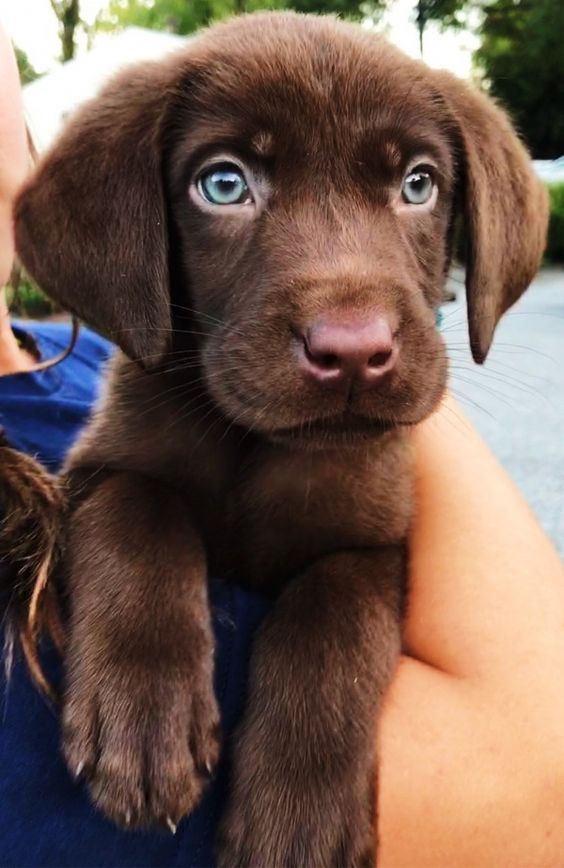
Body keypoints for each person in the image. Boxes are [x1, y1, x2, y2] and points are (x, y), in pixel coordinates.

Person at [2, 20, 564, 868]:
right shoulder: (138, 407)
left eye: (416, 184)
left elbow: (370, 554)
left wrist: (323, 683)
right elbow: (533, 791)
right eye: (223, 183)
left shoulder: (66, 371)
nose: (352, 329)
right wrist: (137, 581)